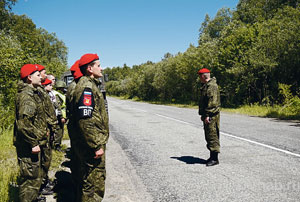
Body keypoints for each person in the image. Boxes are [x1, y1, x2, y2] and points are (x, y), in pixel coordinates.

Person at [73, 53, 109, 201]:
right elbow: (85, 120)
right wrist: (95, 145)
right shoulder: (86, 87)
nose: (101, 69)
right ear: (89, 68)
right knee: (93, 186)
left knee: (92, 183)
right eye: (98, 66)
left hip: (92, 143)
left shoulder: (90, 84)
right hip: (91, 145)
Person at [14, 64, 47, 201]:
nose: (41, 77)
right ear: (29, 77)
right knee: (30, 183)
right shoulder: (26, 96)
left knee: (34, 180)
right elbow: (24, 124)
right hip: (28, 146)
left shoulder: (32, 93)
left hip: (31, 144)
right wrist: (33, 143)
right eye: (38, 75)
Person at [66, 60, 83, 199]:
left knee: (77, 160)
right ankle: (78, 191)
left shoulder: (72, 86)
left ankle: (77, 188)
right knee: (80, 163)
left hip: (74, 129)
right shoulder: (78, 87)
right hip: (78, 131)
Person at [198, 68, 221, 166]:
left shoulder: (211, 86)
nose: (199, 78)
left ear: (203, 76)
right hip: (208, 115)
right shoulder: (206, 86)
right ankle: (212, 156)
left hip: (212, 115)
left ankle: (215, 159)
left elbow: (213, 103)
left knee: (212, 136)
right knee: (209, 135)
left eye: (199, 76)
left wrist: (208, 115)